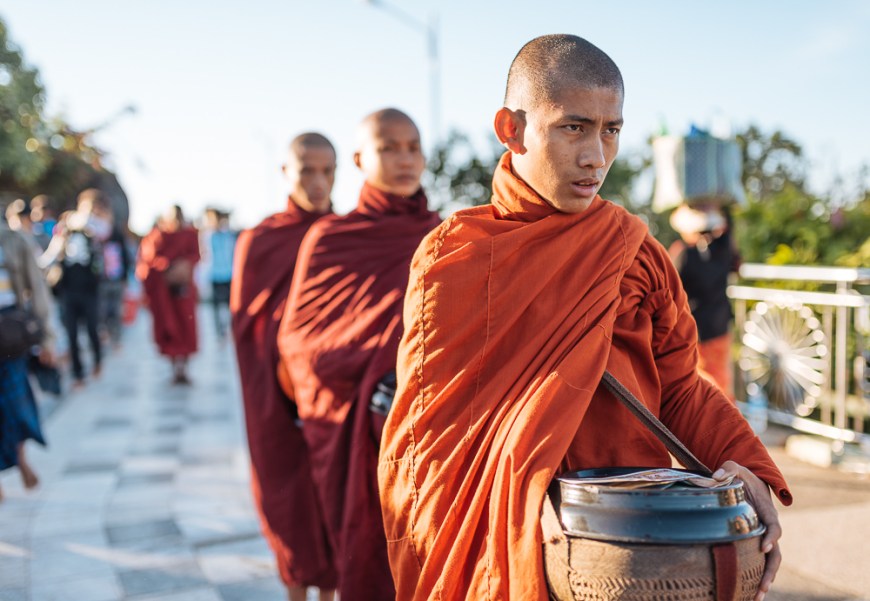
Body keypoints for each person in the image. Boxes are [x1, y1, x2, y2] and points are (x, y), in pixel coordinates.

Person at [377, 35, 791, 601]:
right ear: (511, 129)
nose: (597, 156)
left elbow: (680, 386)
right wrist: (520, 500)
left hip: (632, 550)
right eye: (573, 127)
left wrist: (747, 466)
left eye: (611, 130)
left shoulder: (632, 249)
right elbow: (428, 442)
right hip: (514, 543)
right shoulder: (455, 258)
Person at [277, 109, 440, 600]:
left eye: (412, 147)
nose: (404, 159)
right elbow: (299, 340)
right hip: (359, 423)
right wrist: (379, 364)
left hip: (428, 428)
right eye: (388, 148)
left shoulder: (447, 235)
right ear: (360, 159)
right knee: (368, 557)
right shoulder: (331, 238)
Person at [231, 133, 339, 601]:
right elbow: (246, 327)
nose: (318, 182)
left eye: (327, 171)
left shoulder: (348, 235)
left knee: (335, 496)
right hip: (274, 397)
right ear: (286, 173)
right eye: (307, 170)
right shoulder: (261, 240)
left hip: (335, 393)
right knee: (287, 496)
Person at [0, 213, 55, 501]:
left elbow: (37, 288)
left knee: (16, 400)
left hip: (10, 331)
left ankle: (20, 456)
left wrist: (46, 337)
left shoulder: (13, 239)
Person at [669, 203, 740, 399]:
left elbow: (670, 287)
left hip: (695, 331)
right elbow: (736, 261)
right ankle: (730, 424)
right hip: (720, 326)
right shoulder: (723, 247)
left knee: (702, 386)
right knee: (722, 381)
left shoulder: (683, 253)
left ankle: (719, 425)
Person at [41, 189, 112, 387]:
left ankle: (97, 360)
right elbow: (53, 251)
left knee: (92, 328)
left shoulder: (97, 227)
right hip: (69, 287)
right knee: (71, 332)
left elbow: (104, 231)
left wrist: (88, 222)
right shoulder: (66, 225)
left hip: (90, 288)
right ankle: (78, 374)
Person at [136, 205, 200, 384]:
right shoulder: (157, 236)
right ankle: (174, 369)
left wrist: (183, 266)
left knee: (187, 327)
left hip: (184, 290)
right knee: (169, 327)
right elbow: (148, 259)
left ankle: (184, 369)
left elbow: (195, 256)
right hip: (164, 291)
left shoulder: (189, 235)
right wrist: (167, 267)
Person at [205, 209, 236, 340]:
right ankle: (220, 332)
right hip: (215, 275)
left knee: (232, 305)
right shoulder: (209, 235)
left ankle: (232, 329)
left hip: (228, 274)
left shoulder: (228, 235)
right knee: (217, 307)